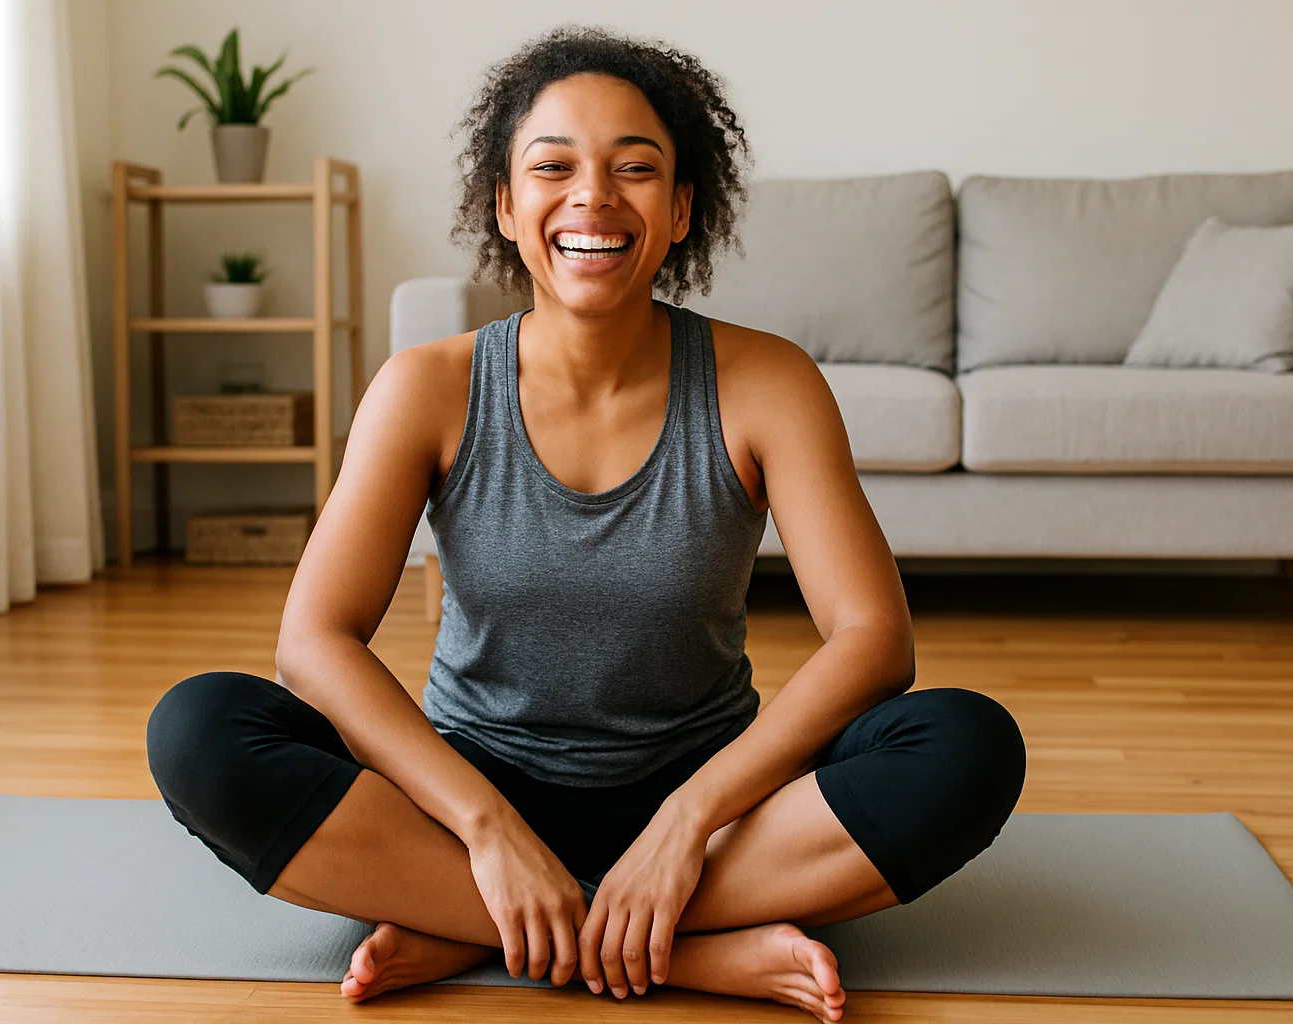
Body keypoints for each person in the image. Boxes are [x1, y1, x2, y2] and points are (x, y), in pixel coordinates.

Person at [146, 25, 1025, 1022]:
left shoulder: (766, 382)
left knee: (968, 743)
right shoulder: (426, 388)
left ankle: (491, 929)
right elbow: (312, 642)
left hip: (710, 799)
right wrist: (484, 825)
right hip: (473, 785)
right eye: (554, 167)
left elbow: (874, 641)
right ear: (507, 206)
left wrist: (689, 820)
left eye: (636, 169)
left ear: (684, 207)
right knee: (201, 728)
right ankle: (684, 947)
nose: (594, 198)